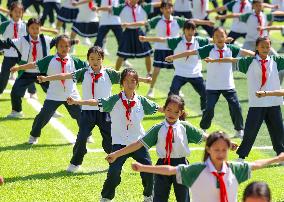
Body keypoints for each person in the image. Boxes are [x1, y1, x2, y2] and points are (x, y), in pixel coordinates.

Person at [66, 68, 163, 202]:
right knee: (113, 173)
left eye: (133, 81)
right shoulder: (114, 100)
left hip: (138, 143)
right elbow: (96, 102)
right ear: (122, 83)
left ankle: (148, 196)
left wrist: (174, 110)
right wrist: (77, 102)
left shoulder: (141, 101)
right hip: (119, 144)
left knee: (148, 171)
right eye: (127, 81)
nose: (130, 84)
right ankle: (106, 197)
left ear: (137, 84)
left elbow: (159, 108)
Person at [105, 95, 209, 202]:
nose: (171, 114)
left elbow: (208, 138)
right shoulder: (157, 129)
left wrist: (224, 141)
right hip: (161, 165)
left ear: (181, 113)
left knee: (183, 198)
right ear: (164, 109)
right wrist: (116, 154)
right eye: (168, 110)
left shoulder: (185, 127)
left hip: (181, 164)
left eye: (176, 112)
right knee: (159, 198)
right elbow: (138, 144)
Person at [131, 131, 284, 202]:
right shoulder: (197, 171)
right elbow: (170, 170)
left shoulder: (234, 169)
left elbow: (255, 165)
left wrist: (277, 158)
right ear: (209, 149)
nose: (220, 153)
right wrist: (144, 168)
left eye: (224, 149)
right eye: (216, 149)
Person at [165, 27, 255, 138]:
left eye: (222, 35)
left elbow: (247, 52)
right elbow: (191, 52)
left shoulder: (231, 49)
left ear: (226, 37)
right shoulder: (208, 49)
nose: (219, 38)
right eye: (216, 36)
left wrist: (258, 55)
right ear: (213, 38)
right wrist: (173, 57)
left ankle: (239, 130)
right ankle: (203, 129)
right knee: (209, 108)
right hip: (212, 86)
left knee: (236, 106)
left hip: (228, 85)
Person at [204, 36, 284, 161]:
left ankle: (281, 156)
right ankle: (241, 157)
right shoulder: (249, 62)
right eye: (262, 46)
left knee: (278, 132)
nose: (265, 49)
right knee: (250, 132)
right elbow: (232, 59)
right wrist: (214, 60)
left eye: (267, 47)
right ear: (256, 47)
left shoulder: (276, 60)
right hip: (257, 104)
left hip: (274, 102)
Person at [10, 35, 90, 145]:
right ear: (56, 47)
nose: (64, 48)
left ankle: (86, 135)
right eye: (61, 46)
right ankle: (33, 136)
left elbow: (89, 67)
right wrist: (19, 68)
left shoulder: (74, 61)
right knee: (43, 116)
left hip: (71, 95)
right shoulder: (49, 60)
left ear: (70, 47)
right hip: (54, 95)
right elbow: (34, 64)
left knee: (81, 115)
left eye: (67, 46)